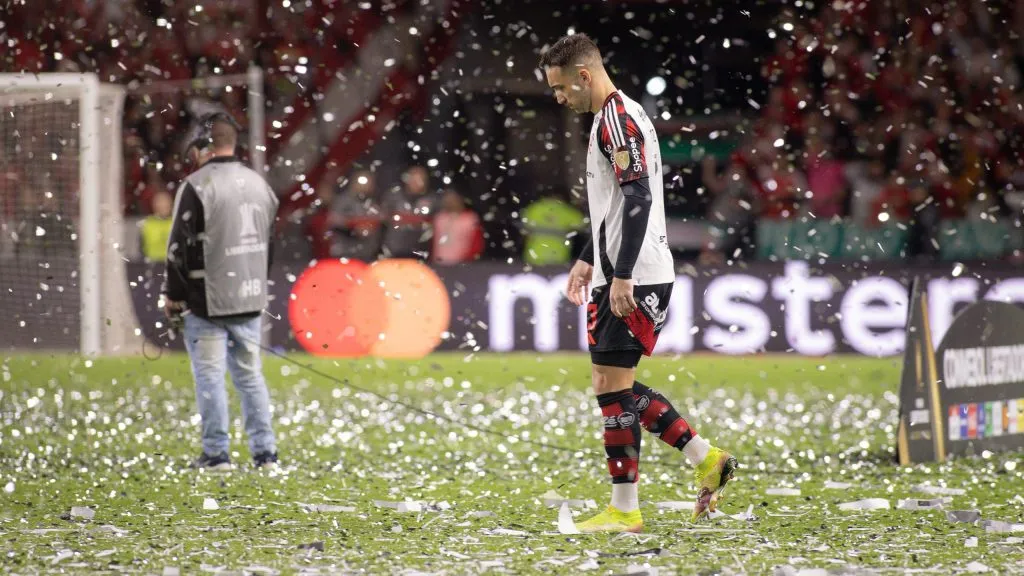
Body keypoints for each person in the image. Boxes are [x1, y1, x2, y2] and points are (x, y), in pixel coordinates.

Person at [539, 33, 737, 532]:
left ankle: (625, 509)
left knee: (612, 387)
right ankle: (704, 458)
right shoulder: (619, 115)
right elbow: (613, 203)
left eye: (561, 87)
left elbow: (638, 198)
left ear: (585, 75)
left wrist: (622, 274)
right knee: (612, 384)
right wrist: (589, 257)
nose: (558, 98)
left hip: (635, 274)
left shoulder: (616, 120)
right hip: (628, 269)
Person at [161, 112, 280, 471]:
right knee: (250, 376)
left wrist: (174, 294)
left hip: (206, 301)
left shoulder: (197, 185)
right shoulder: (259, 184)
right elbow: (269, 244)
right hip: (249, 297)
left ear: (204, 146)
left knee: (210, 377)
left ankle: (216, 454)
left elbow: (178, 248)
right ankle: (265, 453)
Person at [431, 189, 484, 264]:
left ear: (460, 200)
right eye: (447, 199)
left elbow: (477, 244)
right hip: (438, 263)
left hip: (462, 264)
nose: (450, 202)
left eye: (453, 199)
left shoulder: (470, 219)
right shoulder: (439, 218)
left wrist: (467, 261)